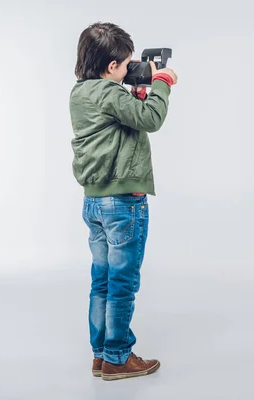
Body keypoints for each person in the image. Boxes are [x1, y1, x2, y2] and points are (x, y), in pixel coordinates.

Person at [69, 22, 178, 380]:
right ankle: (118, 357)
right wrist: (162, 82)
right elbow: (151, 119)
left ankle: (101, 353)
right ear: (112, 66)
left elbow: (123, 121)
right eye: (128, 63)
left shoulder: (82, 92)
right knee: (123, 282)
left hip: (94, 203)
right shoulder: (111, 93)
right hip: (123, 203)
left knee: (101, 280)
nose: (132, 69)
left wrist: (135, 94)